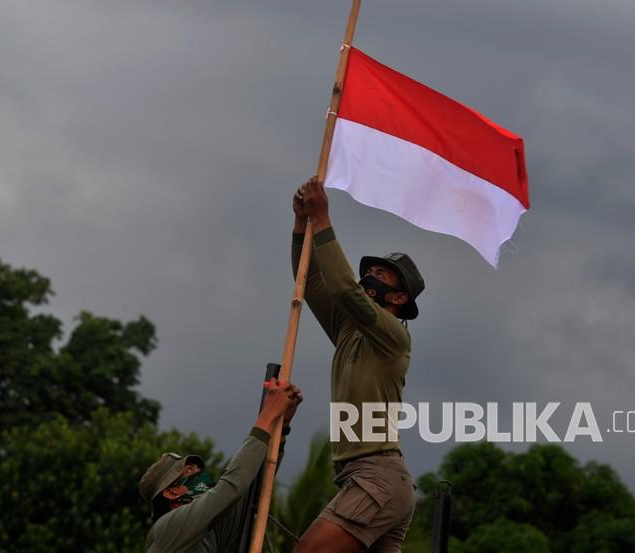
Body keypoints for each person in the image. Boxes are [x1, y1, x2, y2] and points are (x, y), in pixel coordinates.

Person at [291, 177, 425, 553]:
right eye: (371, 272)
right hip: (372, 481)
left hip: (375, 477)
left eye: (381, 276)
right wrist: (301, 225)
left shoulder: (394, 335)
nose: (370, 278)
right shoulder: (350, 330)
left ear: (398, 297)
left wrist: (323, 217)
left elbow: (344, 287)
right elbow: (313, 280)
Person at [139, 378, 302, 553]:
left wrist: (280, 427)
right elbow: (230, 486)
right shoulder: (167, 529)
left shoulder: (210, 532)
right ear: (171, 492)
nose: (198, 471)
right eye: (188, 470)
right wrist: (268, 415)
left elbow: (252, 489)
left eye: (197, 467)